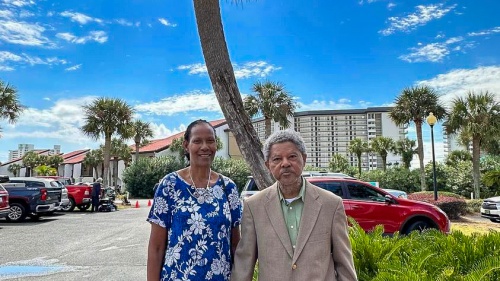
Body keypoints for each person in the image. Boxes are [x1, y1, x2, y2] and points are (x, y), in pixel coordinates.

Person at [231, 129, 357, 281]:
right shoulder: (254, 206)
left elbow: (344, 264)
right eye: (277, 159)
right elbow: (244, 264)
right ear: (267, 165)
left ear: (304, 158)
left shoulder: (331, 204)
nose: (285, 163)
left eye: (292, 156)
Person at [147, 119, 242, 281]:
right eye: (197, 141)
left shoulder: (228, 188)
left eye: (210, 141)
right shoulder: (170, 185)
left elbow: (235, 245)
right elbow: (156, 247)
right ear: (186, 145)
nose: (204, 147)